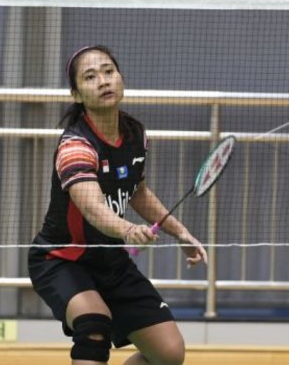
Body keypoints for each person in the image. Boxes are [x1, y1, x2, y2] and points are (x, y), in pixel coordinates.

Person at [28, 45, 208, 365]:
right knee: (94, 324)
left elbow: (137, 191)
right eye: (90, 76)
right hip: (63, 259)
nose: (103, 80)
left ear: (121, 77)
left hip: (111, 261)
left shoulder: (135, 133)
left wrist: (181, 233)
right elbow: (92, 207)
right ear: (77, 95)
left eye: (109, 71)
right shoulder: (76, 146)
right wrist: (127, 229)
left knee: (168, 354)